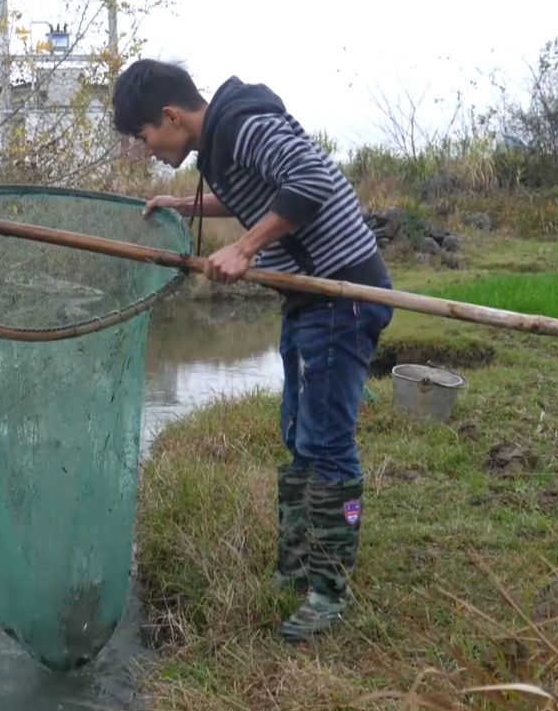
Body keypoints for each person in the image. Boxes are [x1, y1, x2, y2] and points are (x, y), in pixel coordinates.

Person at [110, 59, 393, 642]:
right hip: (308, 300)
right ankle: (297, 566)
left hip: (344, 295)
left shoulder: (245, 126)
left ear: (169, 116)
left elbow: (311, 181)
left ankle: (329, 588)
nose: (147, 149)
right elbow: (265, 197)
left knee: (327, 443)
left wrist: (243, 249)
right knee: (298, 433)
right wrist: (179, 205)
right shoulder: (221, 143)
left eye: (144, 137)